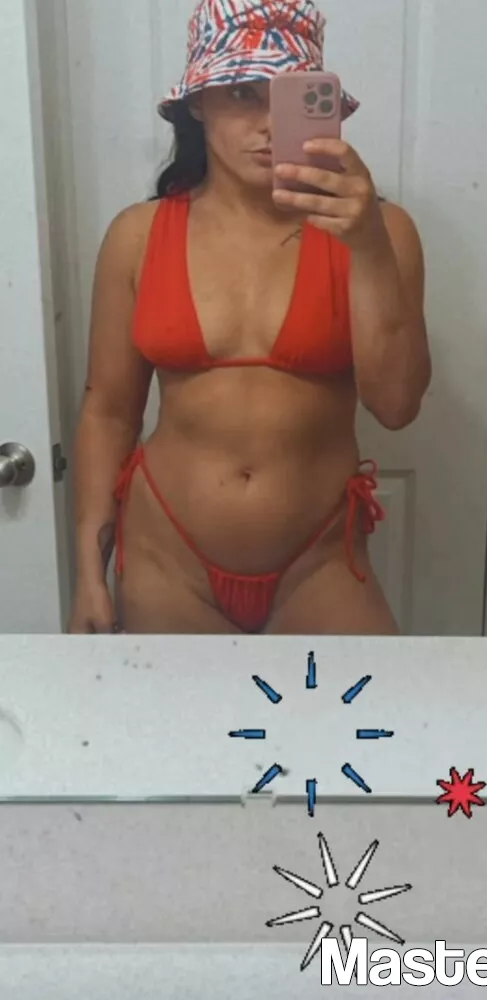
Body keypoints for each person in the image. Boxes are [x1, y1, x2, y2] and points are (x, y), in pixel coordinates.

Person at [68, 0, 431, 637]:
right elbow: (109, 411)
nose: (267, 124)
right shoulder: (137, 236)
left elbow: (397, 407)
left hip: (320, 564)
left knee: (364, 706)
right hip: (165, 561)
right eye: (241, 93)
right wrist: (87, 575)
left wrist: (369, 246)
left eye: (286, 97)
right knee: (181, 712)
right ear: (197, 103)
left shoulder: (380, 231)